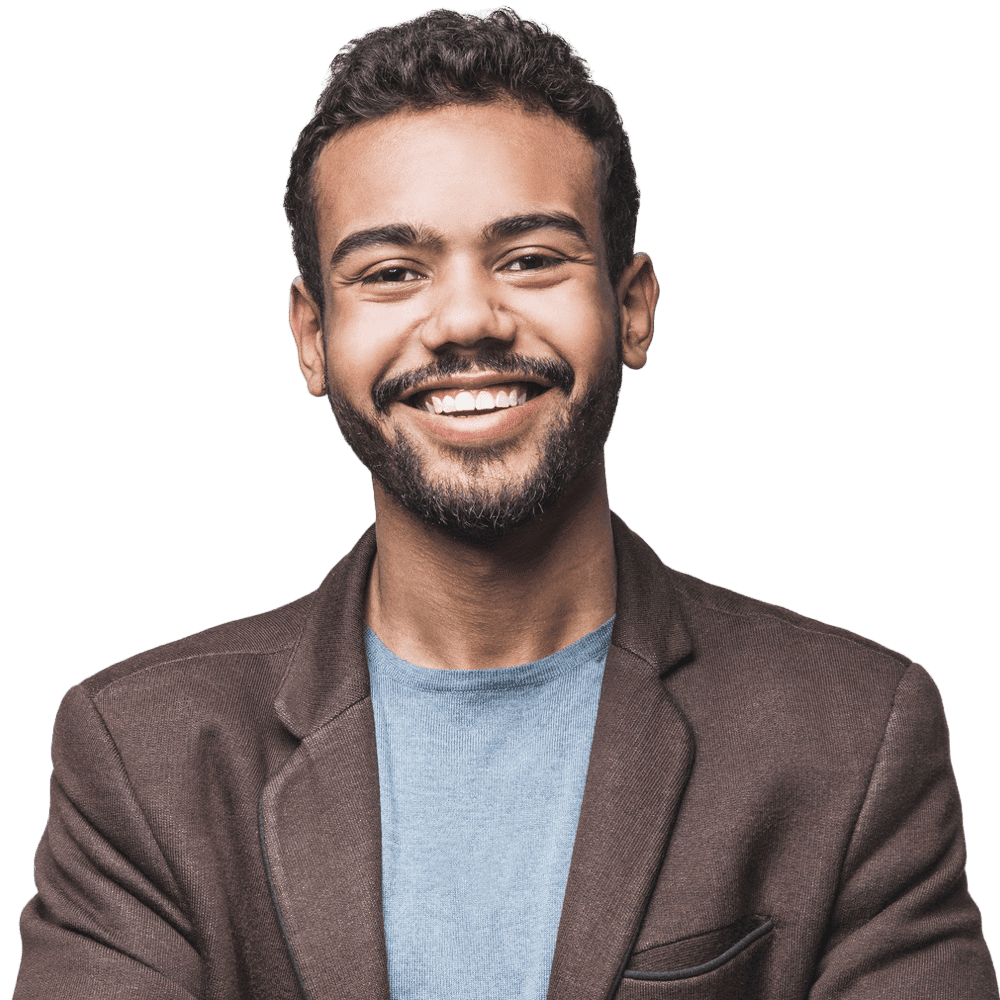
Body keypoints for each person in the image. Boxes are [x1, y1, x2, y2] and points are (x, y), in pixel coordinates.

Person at [13, 7, 997, 998]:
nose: (466, 320)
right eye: (392, 273)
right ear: (312, 335)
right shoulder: (140, 753)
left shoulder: (854, 734)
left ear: (632, 305)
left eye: (529, 259)